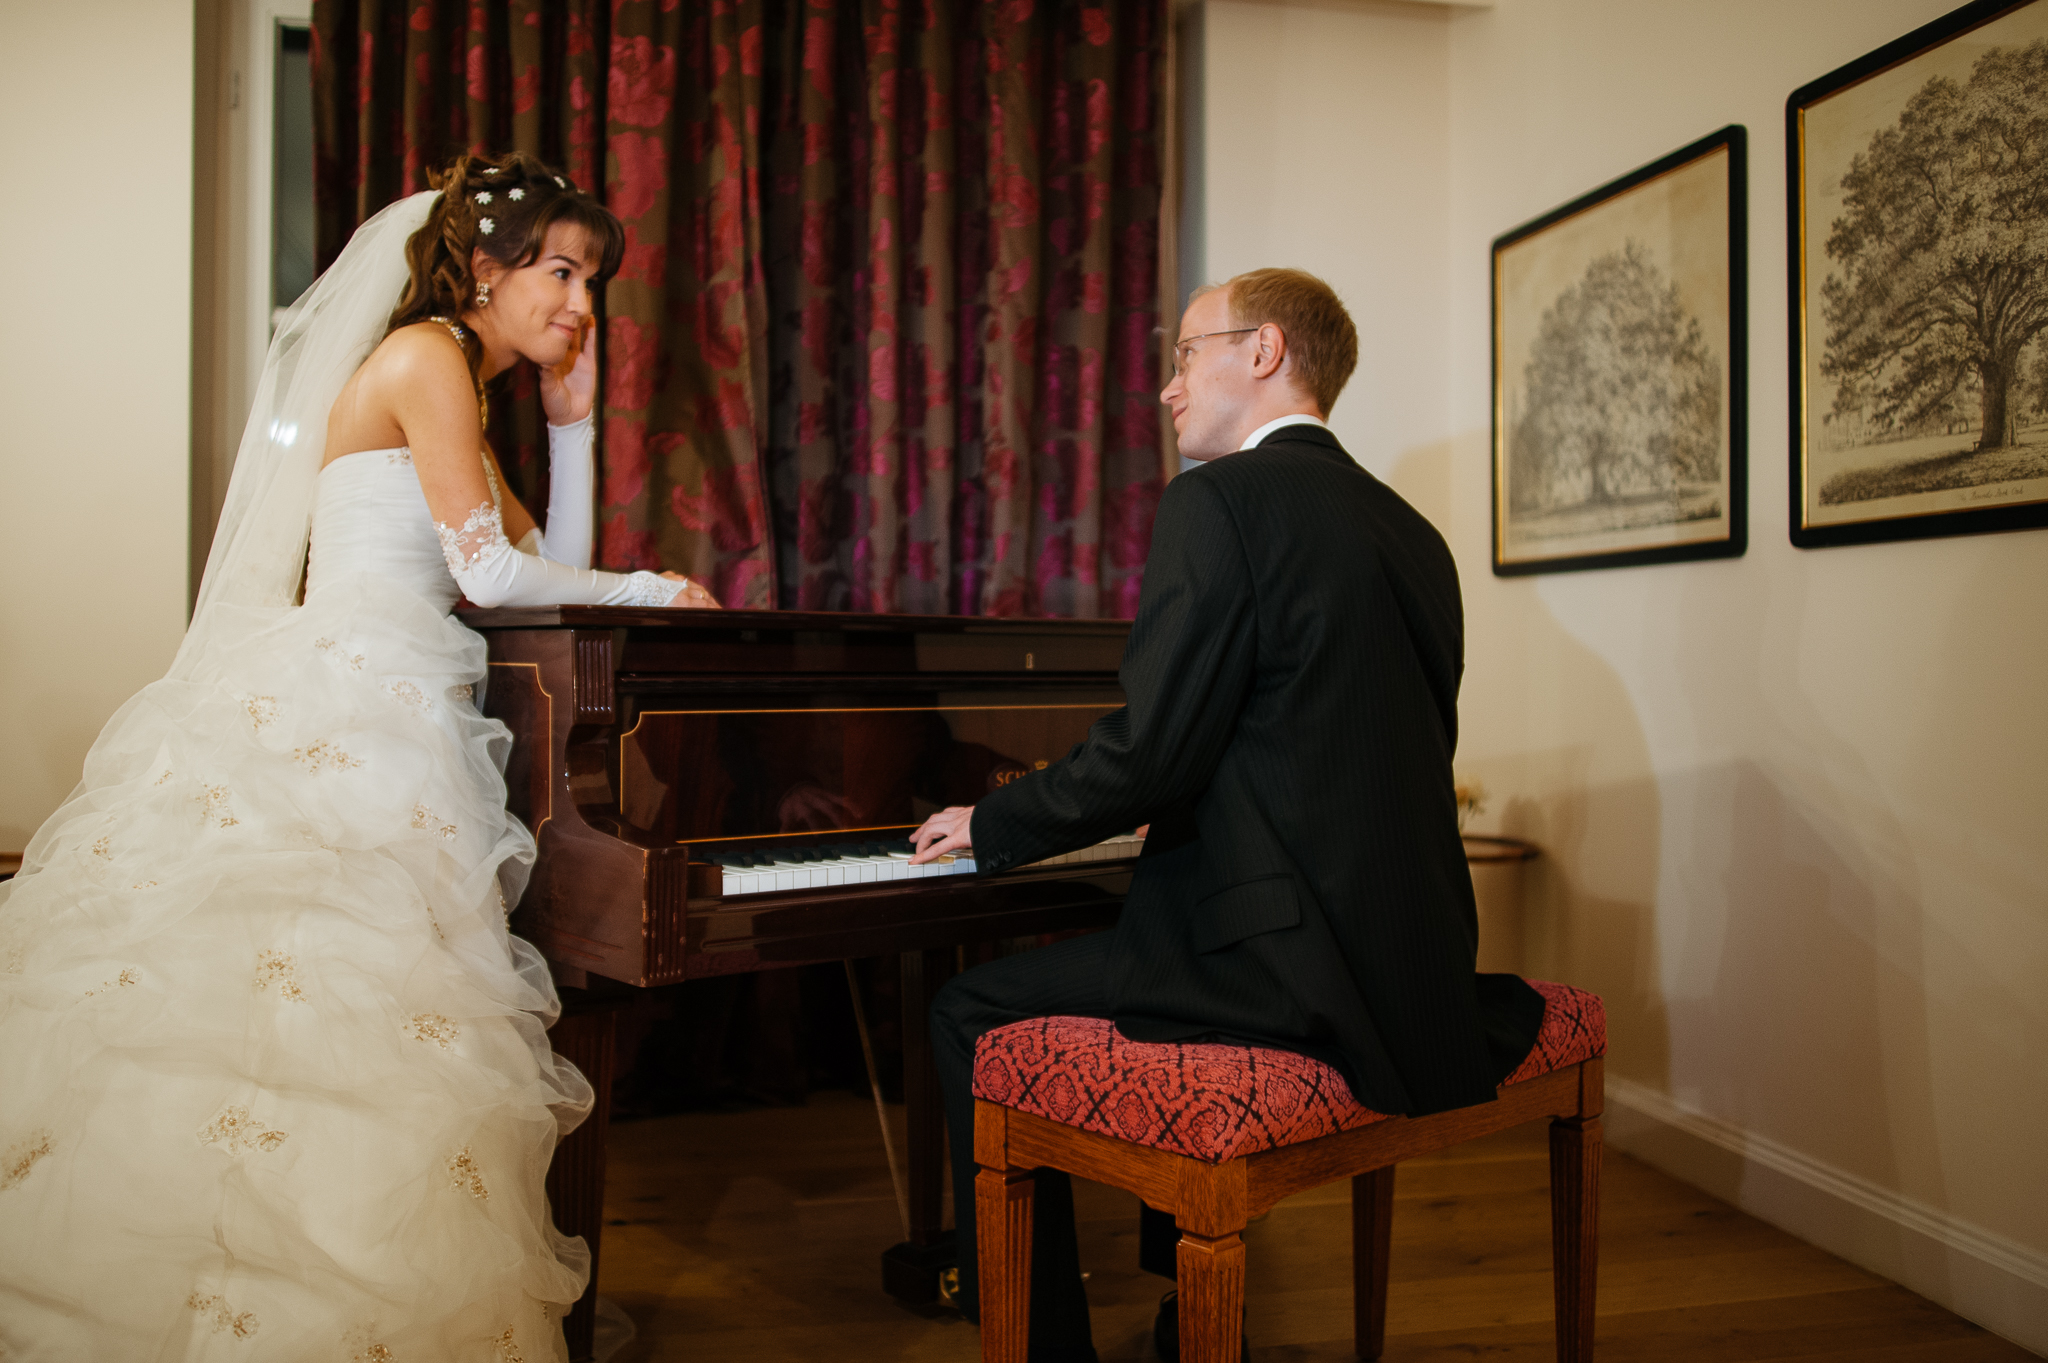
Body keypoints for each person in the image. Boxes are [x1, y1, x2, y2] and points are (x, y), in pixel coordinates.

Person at [0, 152, 713, 1360]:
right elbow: (493, 577)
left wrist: (573, 431)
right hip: (353, 711)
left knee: (359, 1025)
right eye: (558, 268)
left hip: (407, 711)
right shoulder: (428, 356)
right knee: (300, 1017)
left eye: (592, 279)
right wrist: (654, 583)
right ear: (483, 266)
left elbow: (541, 591)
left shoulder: (470, 404)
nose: (580, 302)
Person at [910, 269, 1545, 1362]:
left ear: (1263, 354)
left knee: (969, 1007)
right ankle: (1184, 1319)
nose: (1166, 386)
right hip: (1413, 958)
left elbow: (1151, 752)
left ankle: (1040, 1342)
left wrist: (998, 820)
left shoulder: (1220, 503)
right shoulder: (1412, 533)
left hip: (1283, 966)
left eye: (1185, 352)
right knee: (1149, 933)